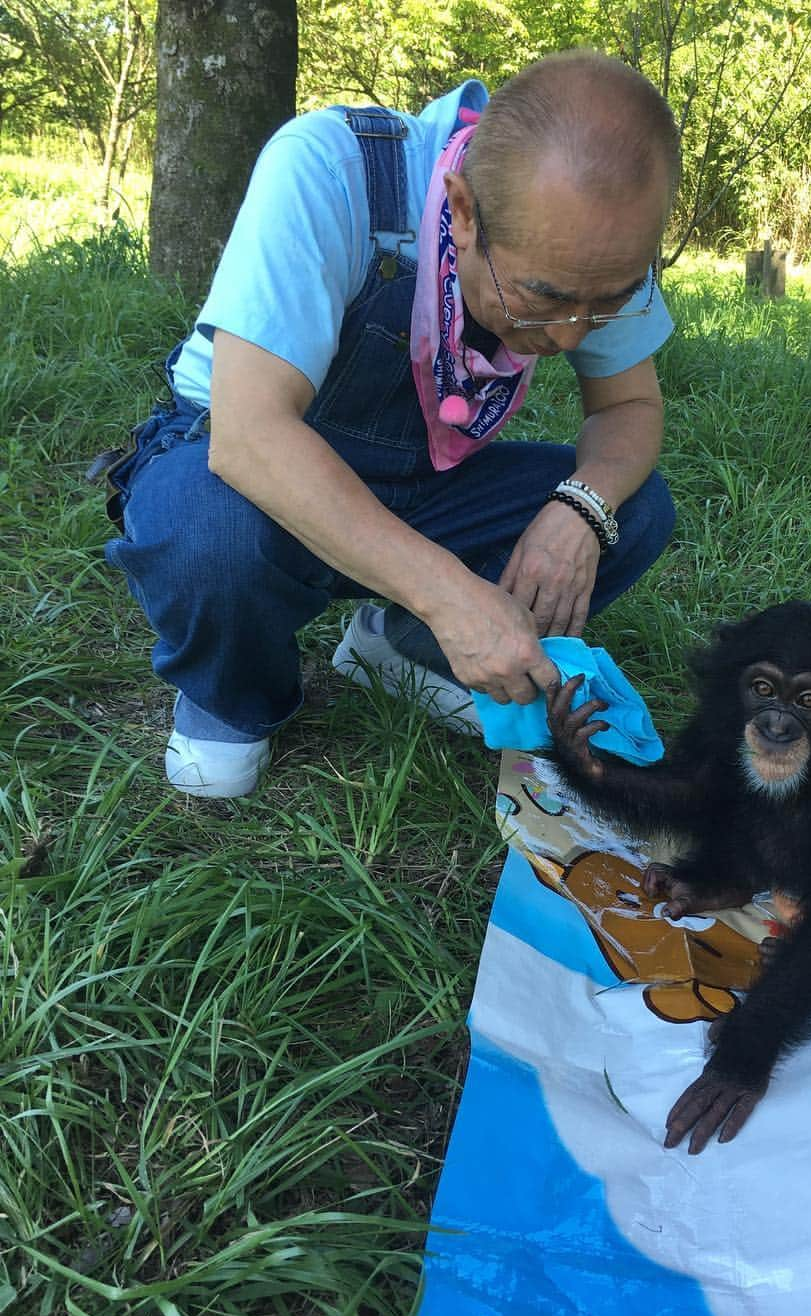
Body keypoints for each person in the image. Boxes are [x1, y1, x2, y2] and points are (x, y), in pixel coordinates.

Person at [105, 49, 680, 798]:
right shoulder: (325, 169)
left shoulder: (590, 242)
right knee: (202, 533)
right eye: (545, 296)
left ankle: (407, 652)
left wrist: (581, 507)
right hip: (244, 471)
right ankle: (236, 689)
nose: (573, 334)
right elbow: (249, 438)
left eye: (609, 298)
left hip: (420, 481)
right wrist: (451, 594)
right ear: (464, 211)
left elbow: (630, 408)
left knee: (630, 508)